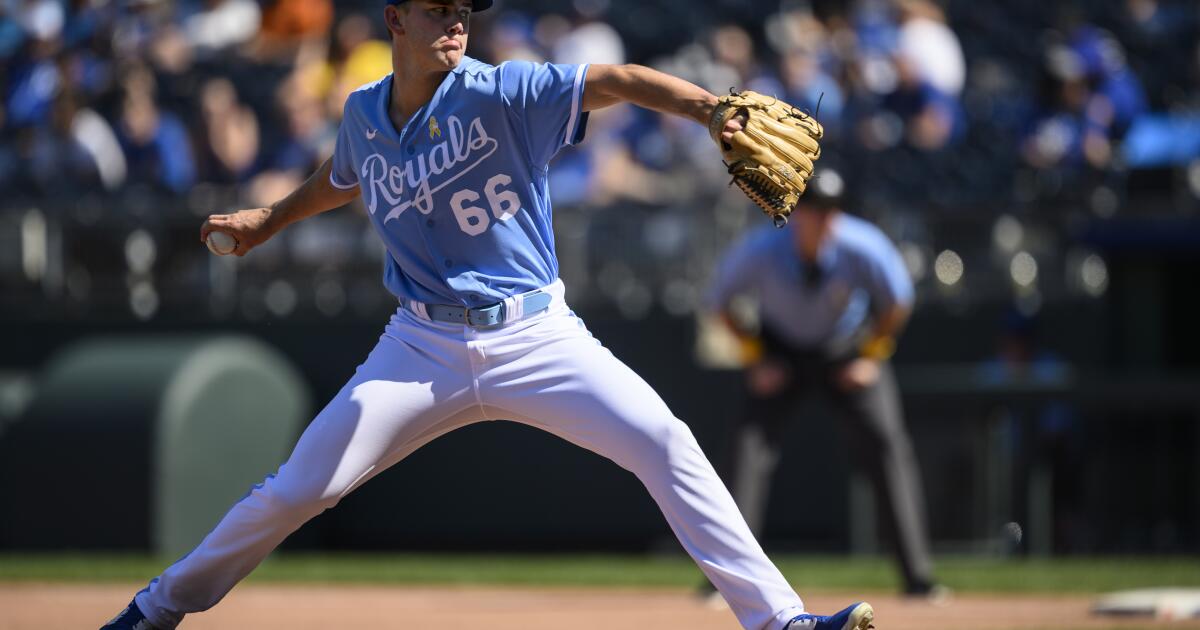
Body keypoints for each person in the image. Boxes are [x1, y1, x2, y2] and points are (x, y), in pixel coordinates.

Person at [101, 2, 874, 629]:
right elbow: (348, 176)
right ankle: (156, 608)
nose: (457, 23)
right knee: (300, 488)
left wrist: (708, 110)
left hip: (537, 334)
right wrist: (269, 219)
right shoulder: (364, 113)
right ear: (394, 20)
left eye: (464, 11)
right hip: (420, 346)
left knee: (663, 440)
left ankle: (779, 622)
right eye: (439, 11)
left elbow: (616, 78)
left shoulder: (505, 91)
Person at [705, 168, 942, 600]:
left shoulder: (862, 243)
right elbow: (719, 302)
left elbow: (898, 302)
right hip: (779, 350)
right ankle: (724, 583)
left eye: (831, 212)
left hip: (846, 350)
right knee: (746, 455)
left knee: (887, 447)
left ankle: (918, 578)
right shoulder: (763, 248)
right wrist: (756, 358)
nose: (824, 221)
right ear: (796, 214)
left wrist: (871, 355)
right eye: (814, 211)